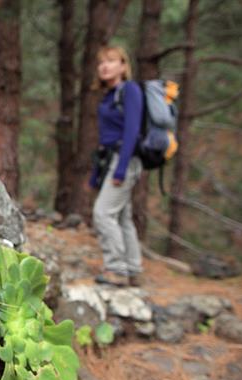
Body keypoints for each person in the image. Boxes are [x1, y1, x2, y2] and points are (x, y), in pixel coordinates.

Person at [89, 45, 144, 287]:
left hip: (125, 159)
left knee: (103, 213)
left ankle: (117, 270)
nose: (104, 66)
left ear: (123, 66)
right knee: (122, 217)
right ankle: (133, 269)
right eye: (101, 62)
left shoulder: (129, 90)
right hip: (111, 159)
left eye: (111, 61)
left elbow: (132, 131)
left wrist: (121, 169)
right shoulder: (109, 95)